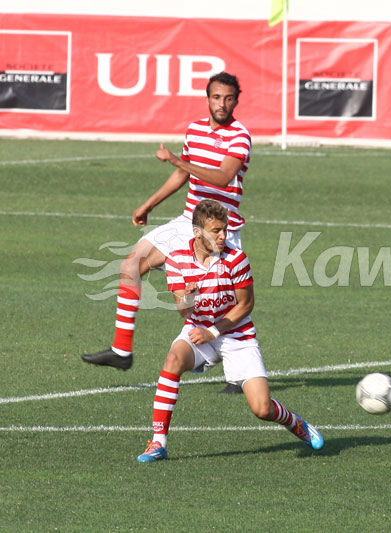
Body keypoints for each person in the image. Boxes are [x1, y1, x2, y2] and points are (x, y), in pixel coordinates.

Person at [83, 71, 251, 393]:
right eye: (216, 97)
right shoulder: (195, 130)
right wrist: (148, 205)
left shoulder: (240, 135)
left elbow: (222, 177)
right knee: (130, 264)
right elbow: (181, 175)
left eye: (228, 98)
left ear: (236, 101)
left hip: (219, 228)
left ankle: (237, 371)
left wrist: (178, 160)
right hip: (187, 220)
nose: (222, 104)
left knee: (222, 299)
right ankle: (121, 350)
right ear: (207, 99)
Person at [136, 200, 323, 462]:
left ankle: (296, 423)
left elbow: (246, 305)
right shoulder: (177, 260)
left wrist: (213, 331)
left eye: (224, 230)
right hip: (198, 329)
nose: (224, 236)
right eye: (216, 231)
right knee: (173, 360)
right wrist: (187, 299)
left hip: (237, 335)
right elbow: (184, 311)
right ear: (197, 232)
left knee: (261, 409)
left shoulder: (236, 259)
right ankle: (158, 443)